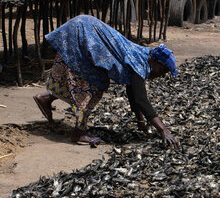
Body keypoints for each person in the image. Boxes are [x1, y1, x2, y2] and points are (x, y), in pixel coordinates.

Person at [32, 15, 180, 149]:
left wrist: (140, 120)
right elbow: (141, 99)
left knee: (90, 78)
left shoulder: (142, 55)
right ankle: (78, 133)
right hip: (82, 35)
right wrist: (163, 130)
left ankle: (45, 98)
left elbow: (133, 91)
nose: (159, 75)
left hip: (82, 28)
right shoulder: (139, 64)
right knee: (92, 84)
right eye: (162, 71)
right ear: (155, 62)